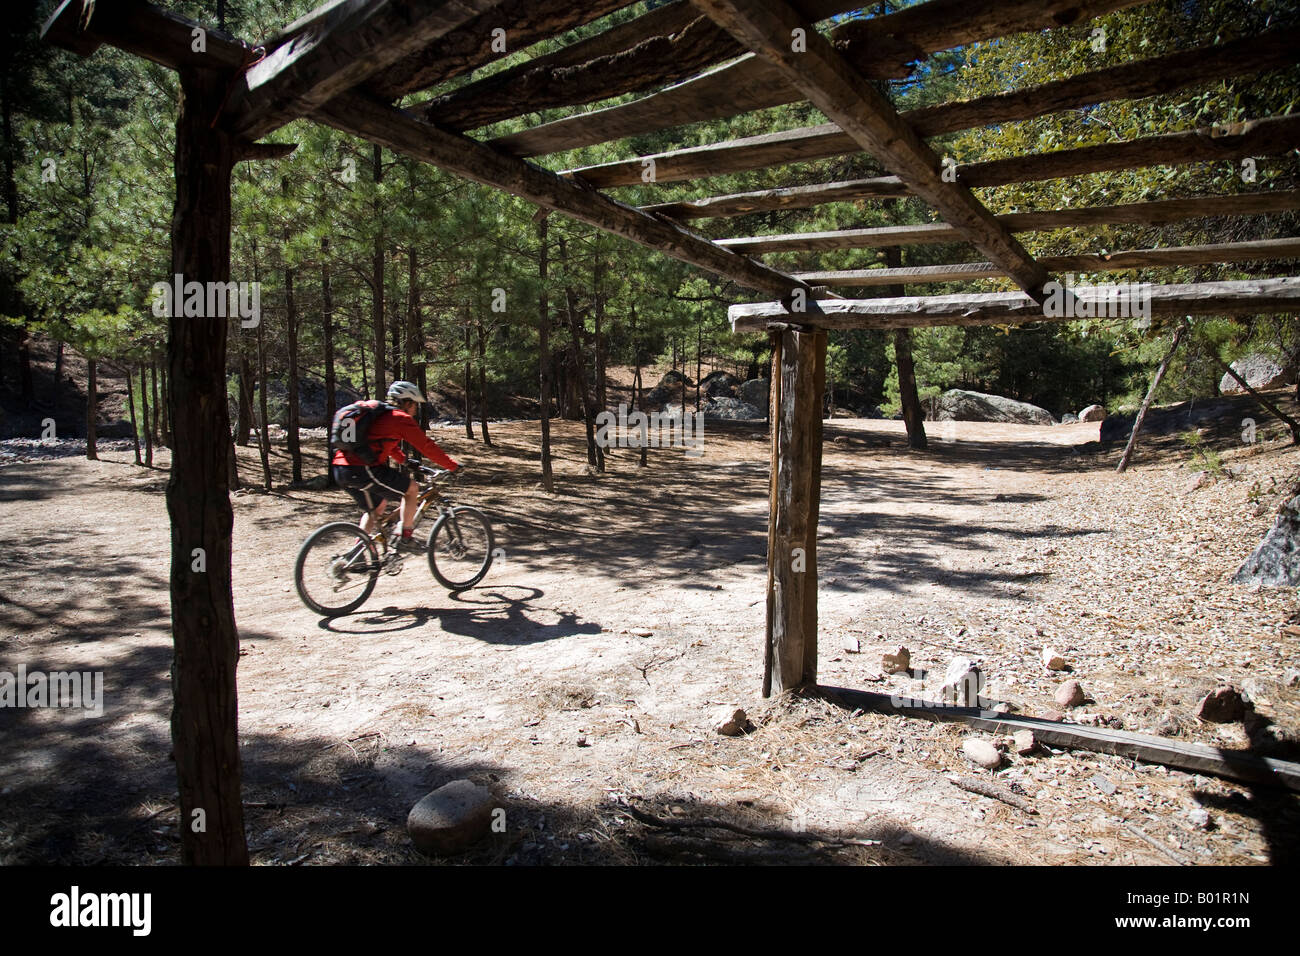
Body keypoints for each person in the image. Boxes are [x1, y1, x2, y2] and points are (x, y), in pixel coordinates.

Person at [331, 381, 461, 551]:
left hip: (341, 469)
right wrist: (452, 466)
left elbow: (386, 443)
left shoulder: (382, 416)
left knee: (377, 507)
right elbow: (426, 446)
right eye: (415, 405)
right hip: (363, 469)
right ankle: (405, 538)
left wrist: (405, 461)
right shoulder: (400, 418)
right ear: (407, 402)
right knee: (412, 489)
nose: (415, 409)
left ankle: (357, 554)